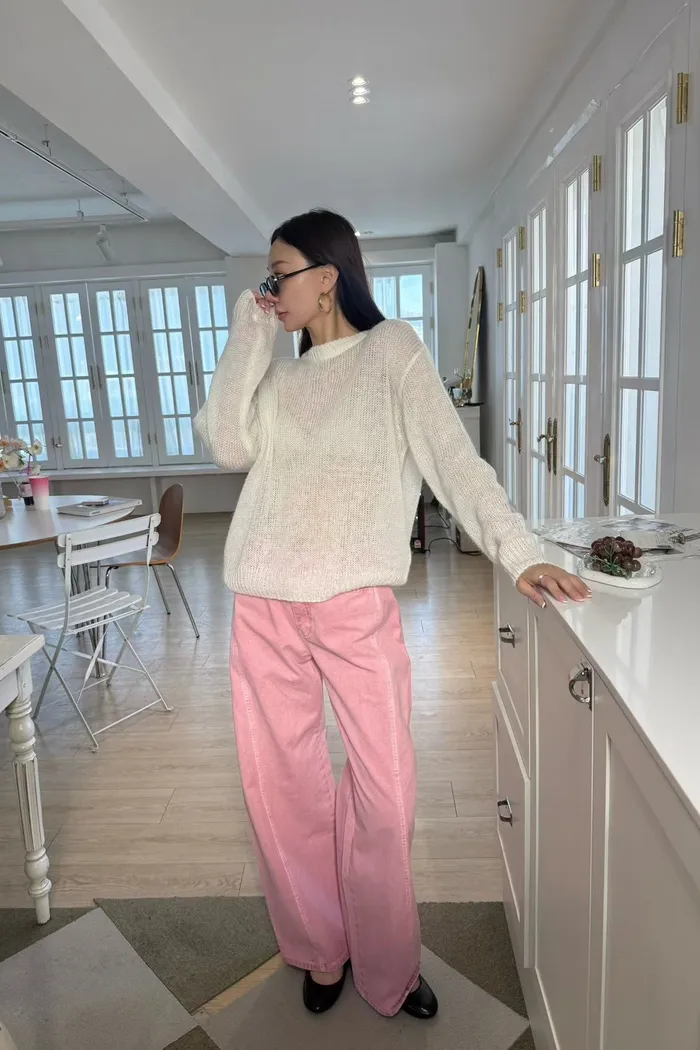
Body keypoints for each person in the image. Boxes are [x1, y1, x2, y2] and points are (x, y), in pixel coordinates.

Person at [195, 209, 590, 1021]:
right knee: (281, 791)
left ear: (326, 276)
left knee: (386, 792)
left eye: (278, 274)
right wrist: (249, 334)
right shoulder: (276, 376)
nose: (269, 290)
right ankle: (320, 949)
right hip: (264, 602)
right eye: (265, 278)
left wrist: (518, 551)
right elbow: (227, 446)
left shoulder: (393, 351)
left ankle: (389, 969)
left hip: (356, 606)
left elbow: (454, 461)